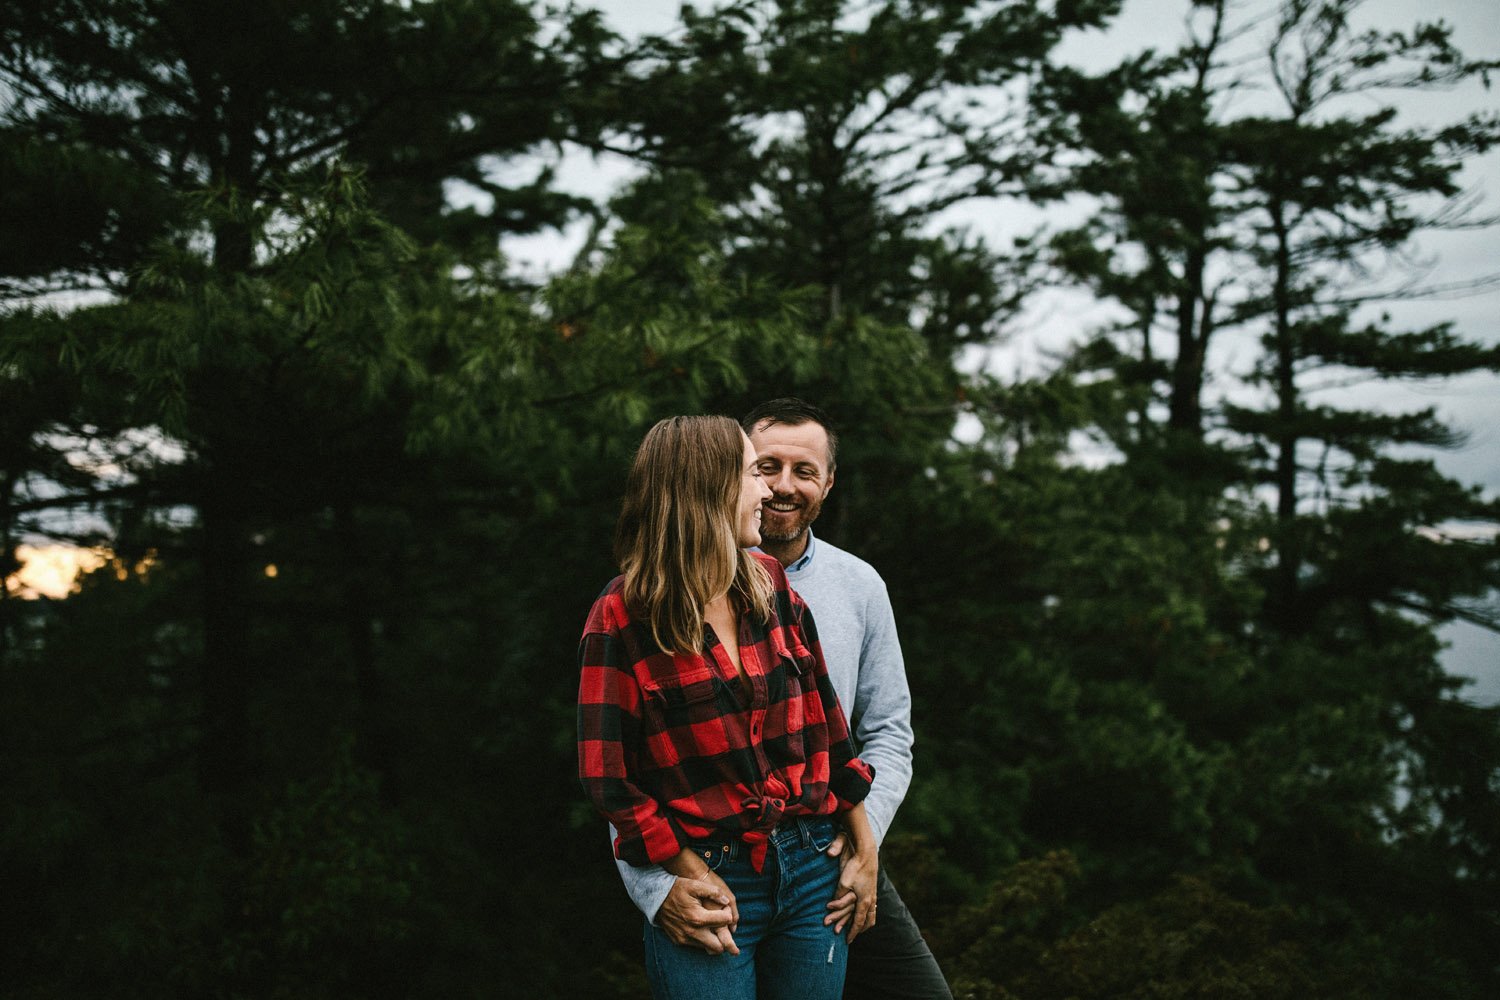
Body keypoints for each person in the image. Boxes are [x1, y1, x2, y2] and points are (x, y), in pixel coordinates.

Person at [612, 399, 954, 1000]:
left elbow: (879, 732)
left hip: (828, 841)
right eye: (764, 467)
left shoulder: (853, 587)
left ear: (828, 483)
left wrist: (861, 841)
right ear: (727, 472)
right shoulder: (651, 597)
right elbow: (626, 771)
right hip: (710, 860)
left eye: (804, 471)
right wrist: (658, 884)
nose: (780, 488)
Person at [578, 414, 881, 1000]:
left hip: (814, 865)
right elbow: (607, 778)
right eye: (752, 473)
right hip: (713, 875)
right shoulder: (620, 615)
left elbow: (827, 724)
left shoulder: (769, 582)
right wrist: (684, 874)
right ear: (707, 491)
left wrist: (863, 844)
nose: (767, 490)